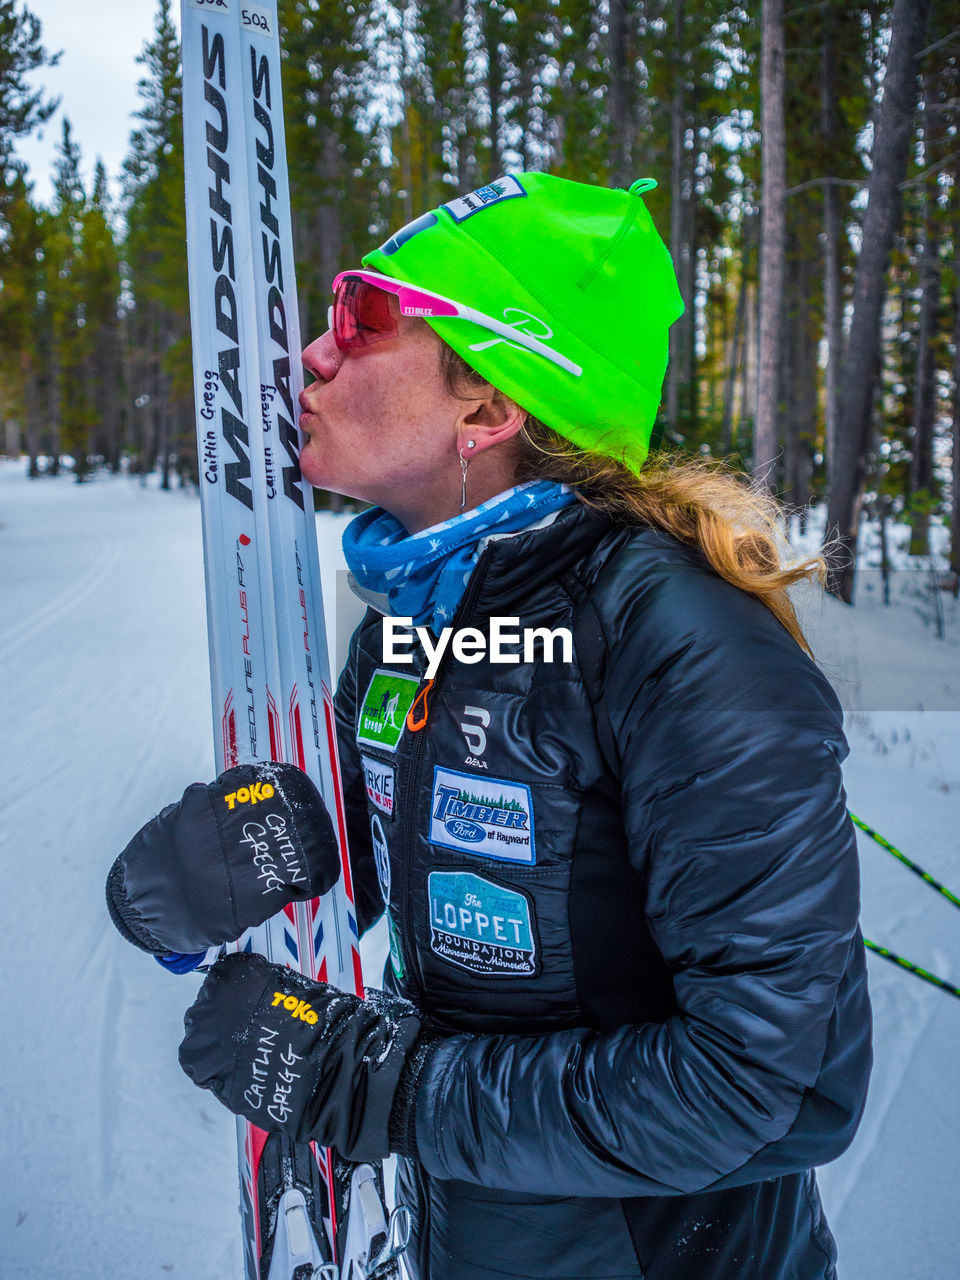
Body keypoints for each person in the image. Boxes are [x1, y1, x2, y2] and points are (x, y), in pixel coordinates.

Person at [108, 172, 872, 1280]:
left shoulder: (684, 641)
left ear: (489, 405)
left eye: (364, 314)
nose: (314, 353)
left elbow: (776, 1084)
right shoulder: (420, 610)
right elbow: (459, 849)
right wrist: (287, 850)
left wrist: (384, 1086)